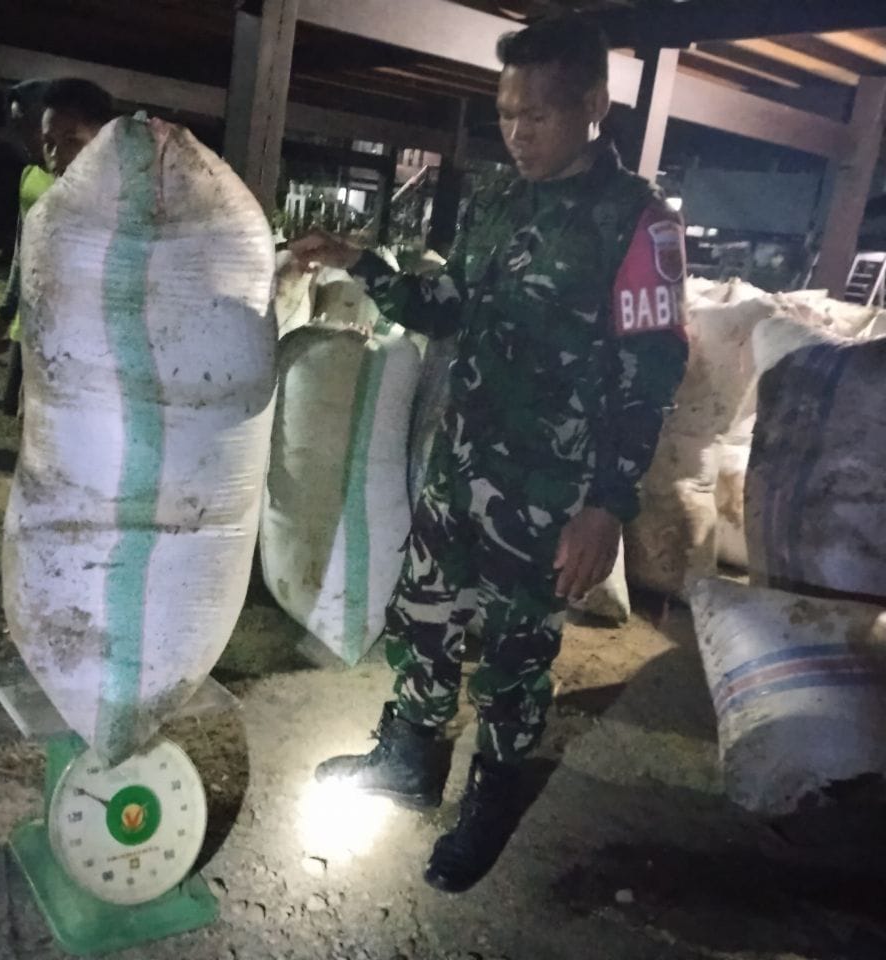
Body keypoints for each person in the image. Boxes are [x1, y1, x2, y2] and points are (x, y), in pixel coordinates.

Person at [291, 15, 689, 893]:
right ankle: (409, 759)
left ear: (592, 105)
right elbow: (448, 305)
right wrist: (360, 262)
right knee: (422, 620)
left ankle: (494, 795)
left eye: (536, 115)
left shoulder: (638, 224)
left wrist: (608, 505)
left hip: (550, 494)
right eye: (506, 114)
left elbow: (652, 374)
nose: (517, 133)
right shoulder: (500, 200)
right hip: (460, 465)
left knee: (515, 656)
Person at [0, 78, 114, 414]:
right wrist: (6, 316)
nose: (56, 154)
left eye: (72, 140)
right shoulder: (38, 191)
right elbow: (25, 257)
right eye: (49, 142)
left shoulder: (124, 210)